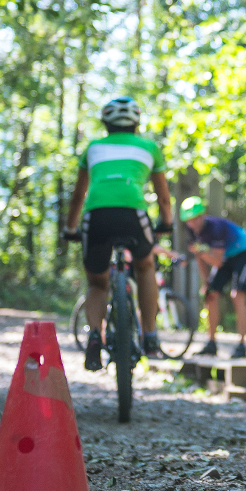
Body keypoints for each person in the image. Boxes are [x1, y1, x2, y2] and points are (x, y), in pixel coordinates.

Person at [62, 97, 174, 369]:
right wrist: (166, 224)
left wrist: (70, 228)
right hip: (132, 215)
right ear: (136, 122)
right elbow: (163, 199)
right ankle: (150, 336)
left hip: (96, 217)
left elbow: (78, 196)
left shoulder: (93, 148)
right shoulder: (149, 147)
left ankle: (94, 340)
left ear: (106, 123)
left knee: (97, 283)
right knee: (145, 266)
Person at [180, 196, 246, 359]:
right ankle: (211, 343)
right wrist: (207, 282)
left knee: (237, 295)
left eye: (196, 219)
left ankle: (242, 345)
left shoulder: (215, 228)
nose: (194, 223)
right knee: (210, 295)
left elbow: (217, 261)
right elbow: (201, 259)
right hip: (224, 256)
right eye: (190, 221)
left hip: (242, 251)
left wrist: (200, 252)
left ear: (203, 215)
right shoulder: (192, 233)